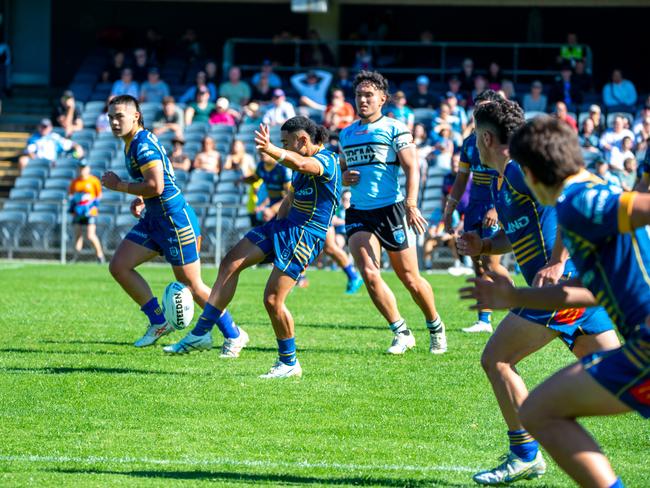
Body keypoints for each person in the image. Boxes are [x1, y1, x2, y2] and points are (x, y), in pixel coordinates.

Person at [464, 116, 650, 488]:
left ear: (530, 174)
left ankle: (524, 456)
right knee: (542, 410)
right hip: (638, 346)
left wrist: (554, 262)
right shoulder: (578, 204)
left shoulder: (582, 202)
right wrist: (514, 295)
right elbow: (591, 291)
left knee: (538, 407)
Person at [164, 117, 342, 379]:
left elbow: (303, 164)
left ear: (303, 140)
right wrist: (274, 228)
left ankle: (289, 363)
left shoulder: (326, 160)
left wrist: (271, 149)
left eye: (285, 143)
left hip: (305, 234)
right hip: (283, 227)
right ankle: (201, 333)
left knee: (272, 301)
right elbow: (290, 197)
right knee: (230, 261)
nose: (283, 147)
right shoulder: (298, 160)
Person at [99, 95, 232, 350]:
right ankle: (158, 321)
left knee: (192, 286)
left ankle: (233, 333)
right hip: (154, 218)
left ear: (136, 116)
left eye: (119, 117)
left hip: (173, 220)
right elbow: (155, 182)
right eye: (110, 117)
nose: (114, 122)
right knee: (119, 266)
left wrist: (120, 187)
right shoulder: (132, 142)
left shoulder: (141, 144)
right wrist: (140, 197)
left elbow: (157, 186)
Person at [339, 70, 447, 355]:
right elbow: (342, 169)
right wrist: (344, 176)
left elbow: (412, 168)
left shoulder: (395, 128)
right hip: (360, 212)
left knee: (410, 278)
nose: (362, 100)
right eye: (359, 95)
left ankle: (435, 325)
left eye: (368, 95)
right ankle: (401, 331)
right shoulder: (346, 133)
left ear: (382, 99)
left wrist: (411, 204)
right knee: (370, 274)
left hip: (392, 209)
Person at [443, 90, 509, 334]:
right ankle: (484, 320)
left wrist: (496, 208)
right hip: (474, 207)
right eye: (479, 108)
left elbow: (507, 178)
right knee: (477, 264)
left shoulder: (503, 141)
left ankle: (523, 300)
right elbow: (461, 179)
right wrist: (449, 207)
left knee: (491, 263)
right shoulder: (470, 142)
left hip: (495, 204)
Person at [68, 160, 105, 263]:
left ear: (88, 169)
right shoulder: (75, 182)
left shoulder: (93, 181)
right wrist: (73, 207)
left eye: (84, 168)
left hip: (90, 213)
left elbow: (99, 195)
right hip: (78, 212)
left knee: (90, 235)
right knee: (77, 234)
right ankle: (76, 257)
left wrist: (91, 206)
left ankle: (100, 256)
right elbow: (71, 196)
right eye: (80, 168)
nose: (82, 170)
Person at [18, 118, 84, 171]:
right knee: (23, 160)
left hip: (52, 162)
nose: (44, 129)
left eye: (45, 126)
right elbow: (29, 151)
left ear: (50, 127)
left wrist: (77, 147)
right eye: (42, 126)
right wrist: (36, 159)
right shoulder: (33, 138)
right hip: (38, 161)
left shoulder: (55, 137)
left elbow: (70, 144)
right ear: (39, 127)